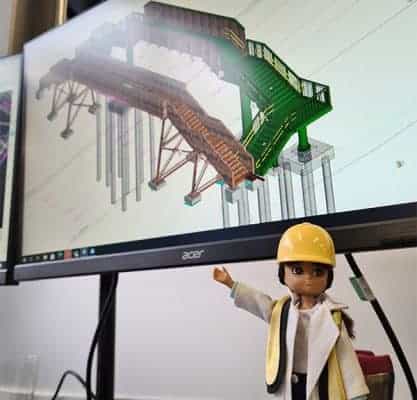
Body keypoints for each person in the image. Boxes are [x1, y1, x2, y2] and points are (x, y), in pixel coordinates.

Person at [213, 222, 369, 400]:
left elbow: (346, 359)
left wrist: (356, 393)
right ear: (283, 273)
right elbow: (259, 302)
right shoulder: (282, 311)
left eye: (318, 272)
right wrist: (231, 285)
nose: (308, 278)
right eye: (298, 270)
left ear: (328, 276)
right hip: (290, 382)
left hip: (320, 383)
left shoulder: (332, 318)